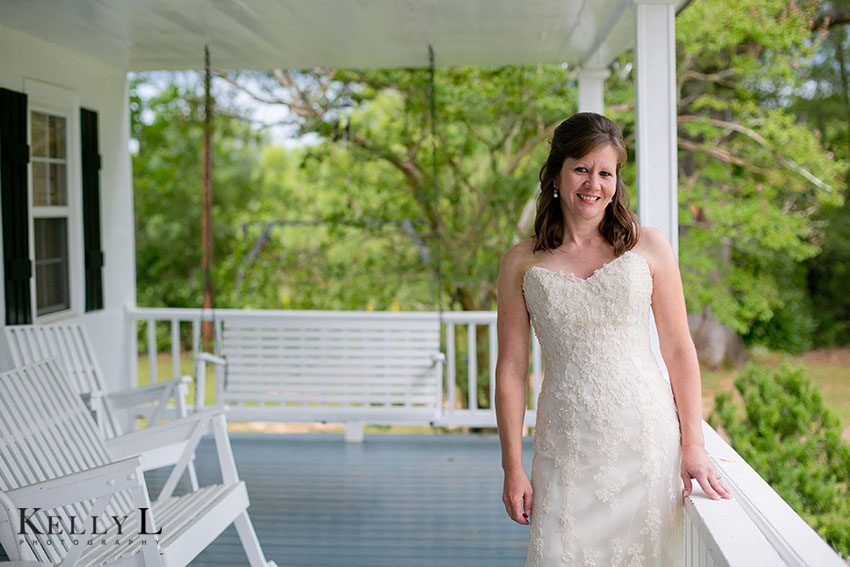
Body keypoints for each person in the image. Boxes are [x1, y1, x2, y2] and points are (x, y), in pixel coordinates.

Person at [495, 112, 733, 566]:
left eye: (605, 172)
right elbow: (510, 369)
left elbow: (679, 349)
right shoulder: (521, 262)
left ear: (617, 180)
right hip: (565, 446)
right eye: (581, 169)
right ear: (556, 175)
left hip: (645, 443)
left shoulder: (650, 247)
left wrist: (694, 446)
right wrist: (512, 467)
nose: (593, 183)